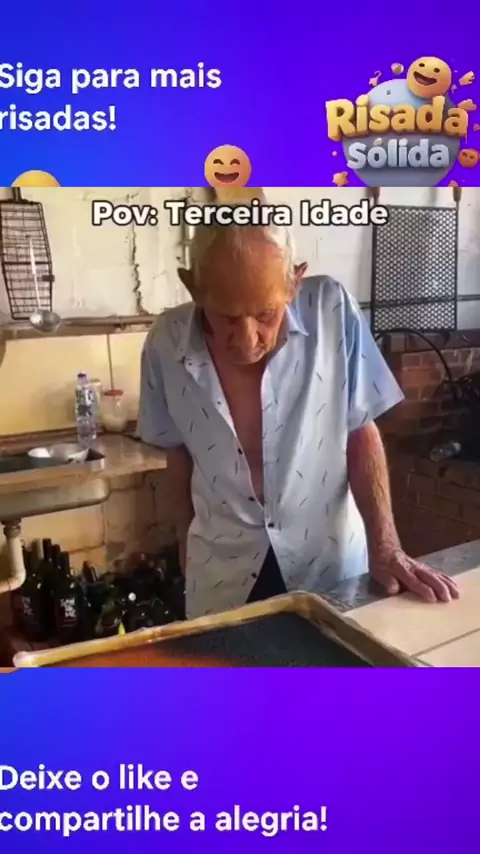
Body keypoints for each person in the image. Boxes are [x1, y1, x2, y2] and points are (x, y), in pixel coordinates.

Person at [138, 222, 459, 618]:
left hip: (326, 559)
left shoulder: (332, 310)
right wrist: (185, 544)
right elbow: (178, 453)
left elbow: (360, 429)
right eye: (227, 318)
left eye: (265, 314)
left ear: (294, 282)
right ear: (193, 287)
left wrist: (386, 546)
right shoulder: (165, 343)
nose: (248, 338)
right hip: (221, 566)